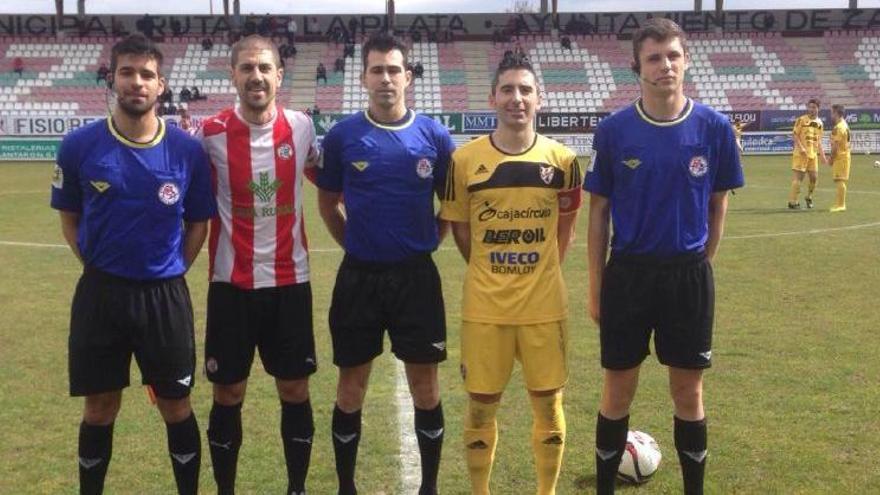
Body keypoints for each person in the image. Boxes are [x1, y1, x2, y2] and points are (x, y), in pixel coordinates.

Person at [49, 34, 215, 495]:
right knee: (99, 407)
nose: (136, 82)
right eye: (127, 72)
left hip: (164, 297)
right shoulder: (80, 146)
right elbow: (71, 220)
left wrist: (170, 269)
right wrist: (100, 265)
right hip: (100, 294)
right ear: (113, 78)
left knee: (175, 405)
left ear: (161, 85)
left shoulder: (187, 151)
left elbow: (198, 225)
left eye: (146, 75)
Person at [584, 18, 743, 495]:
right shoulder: (613, 130)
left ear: (686, 61)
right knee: (617, 390)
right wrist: (596, 286)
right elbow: (598, 214)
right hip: (628, 276)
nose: (665, 65)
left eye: (673, 55)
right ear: (638, 67)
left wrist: (702, 264)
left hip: (687, 277)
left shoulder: (713, 127)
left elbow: (719, 202)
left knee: (688, 392)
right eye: (654, 58)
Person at [316, 32, 454, 495]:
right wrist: (355, 242)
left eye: (394, 69)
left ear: (408, 77)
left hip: (417, 279)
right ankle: (346, 486)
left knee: (426, 387)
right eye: (377, 70)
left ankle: (429, 486)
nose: (386, 78)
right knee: (350, 385)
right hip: (359, 277)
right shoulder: (343, 136)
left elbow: (449, 206)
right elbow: (328, 204)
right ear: (363, 78)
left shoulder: (433, 136)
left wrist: (426, 242)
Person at [440, 53, 582, 495]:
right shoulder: (463, 161)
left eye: (525, 90)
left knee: (548, 404)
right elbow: (461, 232)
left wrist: (538, 273)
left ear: (539, 99)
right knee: (481, 407)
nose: (516, 99)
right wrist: (490, 270)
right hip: (485, 308)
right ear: (492, 98)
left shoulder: (564, 160)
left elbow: (566, 232)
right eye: (507, 90)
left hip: (544, 307)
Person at [199, 35, 319, 495]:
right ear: (233, 74)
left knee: (295, 390)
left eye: (265, 68)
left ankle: (296, 488)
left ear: (279, 75)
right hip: (231, 285)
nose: (256, 76)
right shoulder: (209, 134)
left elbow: (327, 179)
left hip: (291, 283)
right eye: (247, 68)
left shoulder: (302, 127)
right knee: (228, 393)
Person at [788, 98, 827, 209]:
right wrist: (801, 148)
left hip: (813, 155)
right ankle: (792, 202)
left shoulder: (820, 123)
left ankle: (809, 197)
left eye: (814, 107)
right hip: (801, 154)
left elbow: (818, 140)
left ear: (818, 109)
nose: (811, 109)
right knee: (798, 179)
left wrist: (822, 155)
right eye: (809, 107)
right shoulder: (801, 120)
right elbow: (795, 135)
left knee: (814, 178)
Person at [828, 104, 851, 212]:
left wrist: (831, 158)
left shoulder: (839, 127)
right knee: (839, 180)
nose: (831, 115)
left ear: (836, 113)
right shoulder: (843, 125)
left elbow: (836, 146)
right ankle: (839, 204)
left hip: (840, 157)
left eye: (832, 113)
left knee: (840, 180)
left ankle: (841, 205)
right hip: (843, 156)